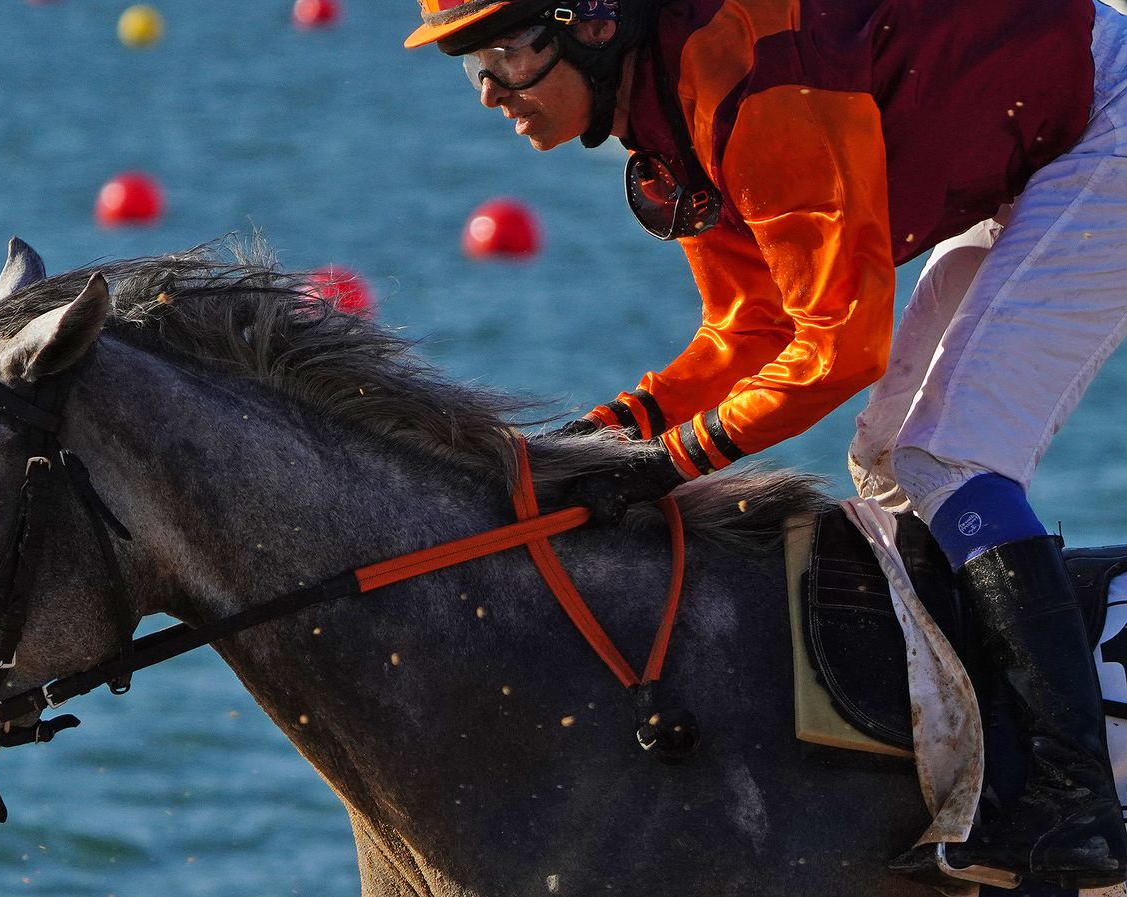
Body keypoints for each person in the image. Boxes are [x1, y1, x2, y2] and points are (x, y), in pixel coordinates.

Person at [406, 0, 1127, 888]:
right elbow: (748, 331)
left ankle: (1077, 798)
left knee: (952, 457)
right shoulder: (669, 115)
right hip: (1045, 137)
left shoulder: (753, 87)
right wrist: (597, 439)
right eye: (470, 63)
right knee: (894, 460)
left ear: (593, 23)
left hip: (1103, 118)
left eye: (505, 52)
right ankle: (982, 756)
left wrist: (664, 465)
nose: (488, 91)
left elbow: (839, 349)